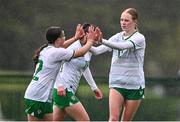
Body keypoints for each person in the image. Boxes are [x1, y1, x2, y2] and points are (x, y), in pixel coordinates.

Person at [24, 24, 100, 121]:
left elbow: (63, 46)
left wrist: (75, 37)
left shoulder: (47, 49)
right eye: (63, 36)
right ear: (58, 39)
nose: (65, 37)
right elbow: (80, 53)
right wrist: (90, 41)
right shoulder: (57, 52)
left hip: (42, 97)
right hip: (37, 97)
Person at [90, 8, 146, 121]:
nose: (123, 23)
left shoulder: (139, 38)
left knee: (125, 120)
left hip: (135, 85)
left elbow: (122, 46)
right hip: (117, 83)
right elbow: (97, 51)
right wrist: (85, 41)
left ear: (135, 22)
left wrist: (101, 40)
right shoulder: (117, 37)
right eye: (121, 20)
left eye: (126, 20)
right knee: (113, 119)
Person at [53, 23, 103, 121]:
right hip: (64, 90)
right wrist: (59, 85)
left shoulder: (88, 48)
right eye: (92, 32)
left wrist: (94, 87)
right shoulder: (74, 47)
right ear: (84, 34)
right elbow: (56, 64)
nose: (95, 34)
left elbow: (84, 67)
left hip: (66, 91)